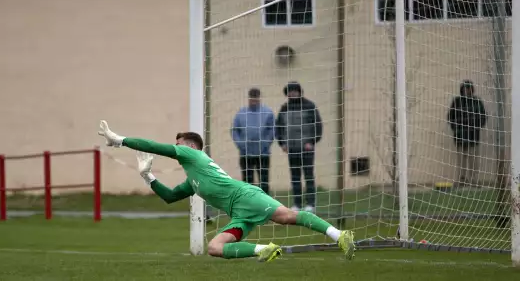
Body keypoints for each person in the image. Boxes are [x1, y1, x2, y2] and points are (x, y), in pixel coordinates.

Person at [98, 120, 354, 262]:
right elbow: (169, 197)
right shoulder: (193, 179)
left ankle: (340, 234)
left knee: (287, 217)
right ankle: (263, 250)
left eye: (178, 145)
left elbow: (154, 146)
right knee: (215, 248)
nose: (175, 148)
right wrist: (147, 175)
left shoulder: (194, 155)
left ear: (190, 146)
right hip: (238, 214)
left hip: (246, 196)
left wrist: (119, 140)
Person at [275, 82, 323, 213]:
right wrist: (282, 143)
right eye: (289, 91)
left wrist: (312, 141)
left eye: (294, 91)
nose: (292, 93)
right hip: (292, 149)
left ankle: (311, 204)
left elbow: (318, 126)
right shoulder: (284, 108)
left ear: (299, 91)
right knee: (295, 177)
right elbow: (279, 127)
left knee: (308, 176)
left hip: (307, 148)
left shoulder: (309, 106)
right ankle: (297, 204)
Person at [231, 87, 274, 194]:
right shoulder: (241, 113)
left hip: (263, 154)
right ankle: (249, 206)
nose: (254, 101)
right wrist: (241, 145)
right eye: (252, 99)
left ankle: (266, 206)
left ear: (259, 98)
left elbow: (272, 130)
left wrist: (265, 144)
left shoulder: (267, 112)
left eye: (256, 98)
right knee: (247, 182)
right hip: (246, 154)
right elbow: (235, 131)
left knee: (264, 182)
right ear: (249, 98)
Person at [447, 80, 487, 186]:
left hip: (473, 136)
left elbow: (483, 116)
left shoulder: (477, 102)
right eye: (464, 88)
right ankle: (462, 179)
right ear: (461, 89)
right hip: (460, 136)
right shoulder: (457, 101)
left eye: (468, 88)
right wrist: (455, 128)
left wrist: (476, 127)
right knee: (461, 159)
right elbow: (451, 116)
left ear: (472, 89)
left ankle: (474, 180)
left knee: (473, 158)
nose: (466, 90)